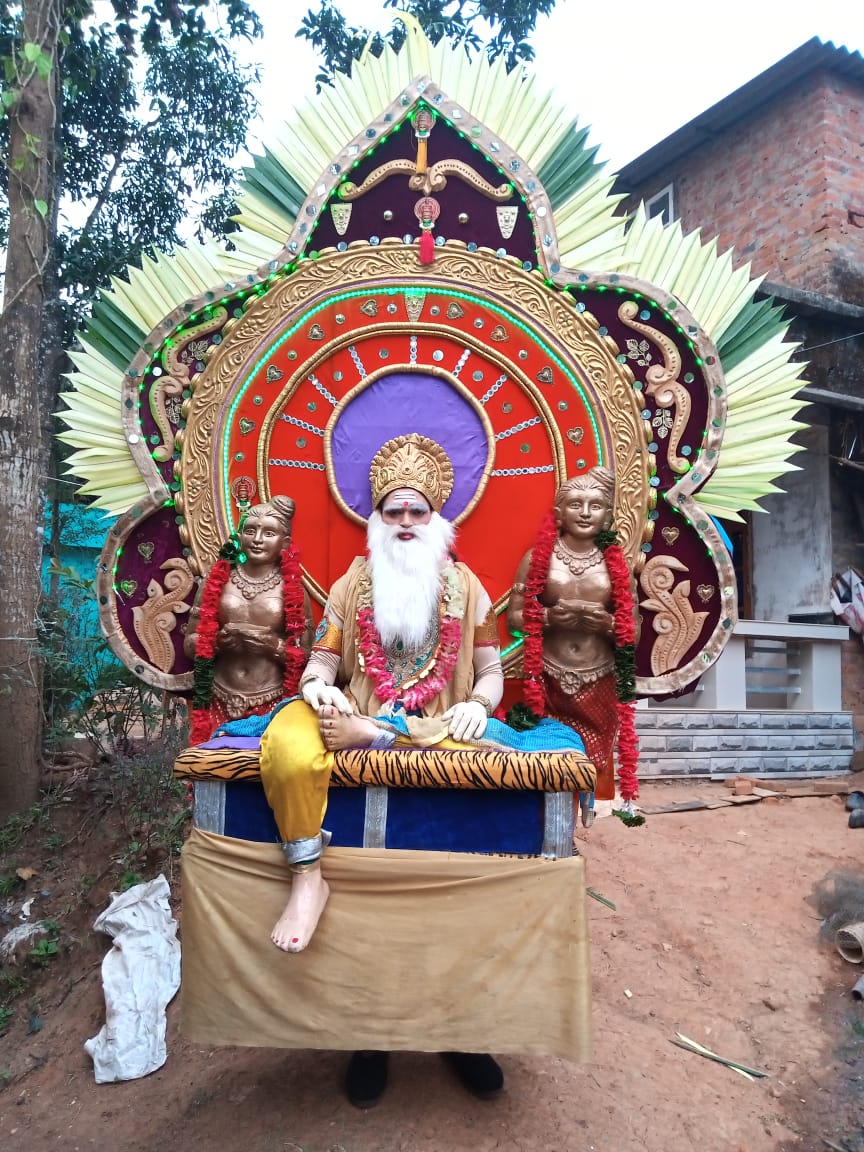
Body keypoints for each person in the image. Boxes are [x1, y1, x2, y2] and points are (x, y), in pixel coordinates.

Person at [257, 434, 592, 1107]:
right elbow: (323, 661)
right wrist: (319, 686)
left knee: (456, 915)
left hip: (441, 744)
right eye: (392, 512)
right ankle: (367, 1031)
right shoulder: (355, 582)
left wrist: (476, 699)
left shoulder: (466, 587)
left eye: (416, 512)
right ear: (375, 519)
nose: (405, 523)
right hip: (349, 732)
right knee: (287, 748)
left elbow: (494, 670)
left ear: (438, 518)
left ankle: (463, 1034)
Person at [508, 467, 637, 806]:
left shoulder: (617, 565)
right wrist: (550, 617)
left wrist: (606, 624)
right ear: (559, 512)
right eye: (575, 504)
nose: (584, 512)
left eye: (595, 505)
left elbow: (632, 630)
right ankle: (549, 818)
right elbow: (514, 619)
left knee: (593, 767)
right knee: (549, 761)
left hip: (600, 676)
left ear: (607, 515)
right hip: (547, 676)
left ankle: (588, 815)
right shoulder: (537, 558)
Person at [183, 496, 311, 745]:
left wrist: (272, 646)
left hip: (272, 699)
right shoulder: (217, 582)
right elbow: (190, 643)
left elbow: (306, 655)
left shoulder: (293, 589)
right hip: (219, 695)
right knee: (211, 772)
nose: (258, 539)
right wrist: (217, 643)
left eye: (269, 533)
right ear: (239, 537)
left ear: (284, 543)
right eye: (250, 530)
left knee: (263, 774)